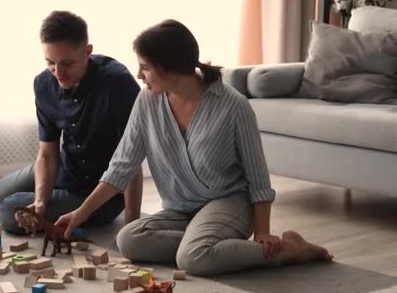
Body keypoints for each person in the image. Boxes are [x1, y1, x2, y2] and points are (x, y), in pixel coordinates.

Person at [56, 19, 333, 275]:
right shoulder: (147, 102)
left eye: (146, 67)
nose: (139, 74)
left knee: (192, 259)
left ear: (171, 70)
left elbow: (258, 178)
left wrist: (263, 231)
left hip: (229, 202)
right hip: (181, 210)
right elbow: (121, 168)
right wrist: (79, 215)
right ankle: (209, 242)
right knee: (128, 239)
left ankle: (289, 251)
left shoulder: (233, 106)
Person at [0, 11, 143, 234]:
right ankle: (12, 192)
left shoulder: (117, 83)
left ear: (88, 52)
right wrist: (40, 200)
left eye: (67, 63)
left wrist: (131, 226)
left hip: (99, 193)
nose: (58, 72)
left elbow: (131, 162)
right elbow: (47, 153)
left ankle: (9, 194)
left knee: (9, 211)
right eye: (50, 62)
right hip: (62, 169)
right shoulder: (43, 83)